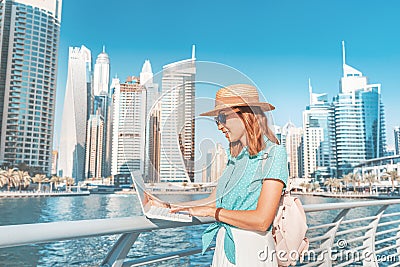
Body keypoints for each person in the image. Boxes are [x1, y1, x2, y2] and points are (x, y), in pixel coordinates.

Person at [151, 84, 288, 266]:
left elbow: (262, 220)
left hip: (252, 252)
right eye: (217, 120)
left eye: (222, 117)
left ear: (245, 114)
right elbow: (214, 200)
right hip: (224, 247)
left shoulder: (274, 154)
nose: (219, 126)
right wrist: (168, 206)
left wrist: (213, 213)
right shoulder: (234, 158)